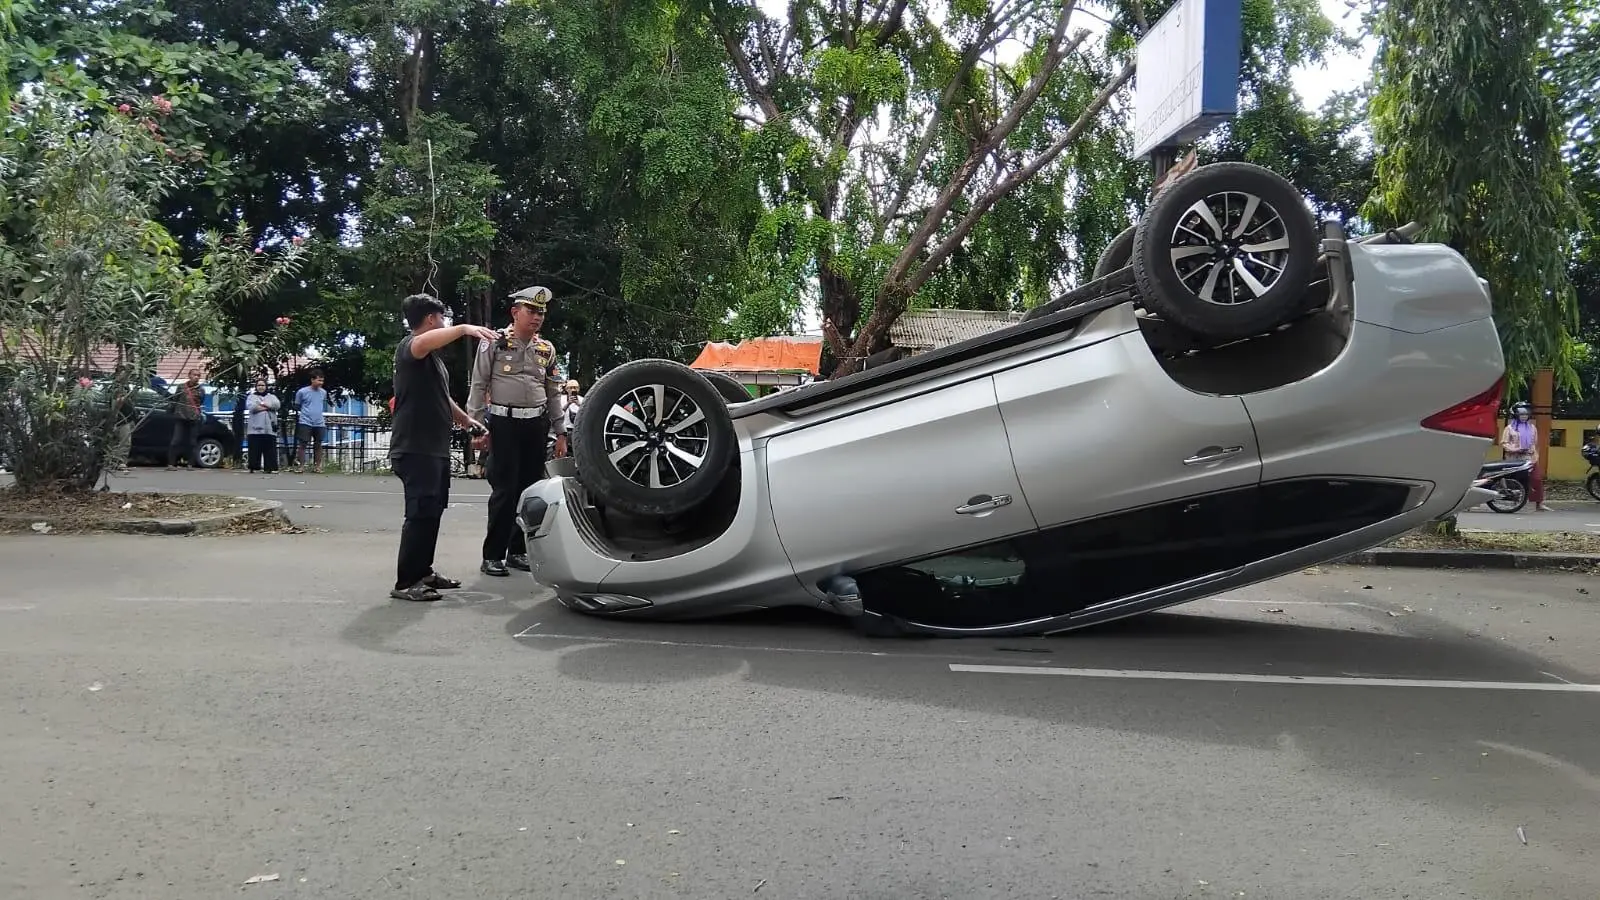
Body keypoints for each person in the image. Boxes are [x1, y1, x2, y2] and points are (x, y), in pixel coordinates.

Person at [390, 293, 497, 602]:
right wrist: (464, 329)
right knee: (420, 513)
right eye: (444, 318)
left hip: (433, 447)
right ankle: (406, 582)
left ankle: (423, 571)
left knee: (432, 512)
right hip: (414, 446)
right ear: (432, 319)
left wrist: (467, 421)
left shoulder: (431, 362)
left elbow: (442, 398)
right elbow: (423, 343)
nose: (446, 323)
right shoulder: (411, 347)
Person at [467, 285, 569, 576]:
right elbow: (478, 385)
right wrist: (476, 427)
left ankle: (518, 551)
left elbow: (552, 393)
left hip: (535, 425)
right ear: (515, 312)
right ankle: (493, 555)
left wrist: (560, 432)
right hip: (503, 422)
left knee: (530, 489)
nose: (537, 317)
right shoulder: (493, 343)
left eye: (541, 313)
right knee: (504, 490)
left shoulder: (546, 349)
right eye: (531, 311)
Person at [1500, 400, 1552, 512]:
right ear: (1516, 415)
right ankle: (1516, 501)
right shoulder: (1509, 428)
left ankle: (1539, 503)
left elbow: (1534, 443)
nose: (1524, 416)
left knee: (1536, 479)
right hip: (1514, 458)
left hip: (1529, 458)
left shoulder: (1532, 428)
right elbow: (1504, 443)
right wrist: (1515, 449)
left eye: (1526, 414)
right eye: (1521, 414)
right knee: (1516, 480)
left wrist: (1534, 455)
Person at [166, 368, 203, 469]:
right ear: (189, 376)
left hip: (194, 418)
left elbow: (201, 402)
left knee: (192, 442)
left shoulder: (201, 389)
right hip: (181, 417)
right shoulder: (181, 387)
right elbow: (175, 400)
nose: (197, 377)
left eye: (198, 375)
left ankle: (190, 463)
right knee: (176, 440)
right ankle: (171, 463)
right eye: (194, 375)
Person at [294, 369, 330, 471]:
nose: (321, 383)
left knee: (318, 444)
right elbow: (297, 405)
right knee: (303, 443)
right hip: (305, 421)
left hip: (319, 422)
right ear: (312, 380)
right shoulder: (302, 392)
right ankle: (301, 466)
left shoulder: (323, 392)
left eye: (322, 381)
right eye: (319, 380)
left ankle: (317, 466)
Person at [245, 377, 281, 474]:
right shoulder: (251, 397)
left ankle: (270, 467)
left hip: (269, 428)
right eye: (259, 385)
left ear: (266, 386)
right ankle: (254, 467)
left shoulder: (272, 396)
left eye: (263, 385)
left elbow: (277, 405)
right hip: (255, 428)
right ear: (256, 387)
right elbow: (252, 407)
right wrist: (267, 407)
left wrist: (263, 404)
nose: (261, 387)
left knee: (270, 449)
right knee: (254, 448)